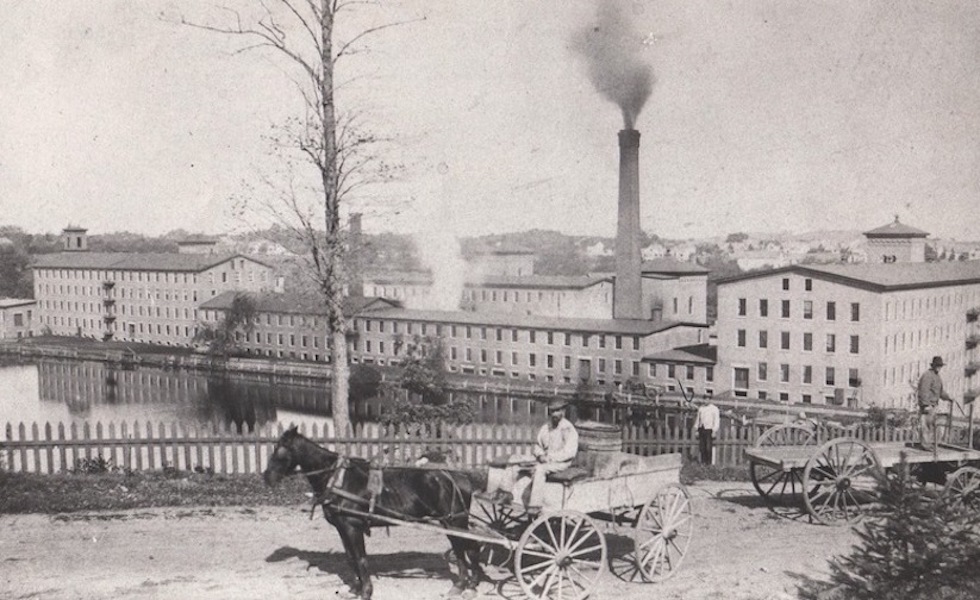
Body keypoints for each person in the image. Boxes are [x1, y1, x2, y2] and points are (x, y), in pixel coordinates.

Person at [491, 398, 578, 513]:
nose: (554, 414)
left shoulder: (568, 429)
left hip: (561, 463)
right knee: (515, 459)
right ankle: (505, 492)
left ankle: (535, 504)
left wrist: (549, 458)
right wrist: (540, 454)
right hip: (543, 459)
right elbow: (537, 445)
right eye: (552, 411)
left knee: (539, 469)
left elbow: (569, 453)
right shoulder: (546, 427)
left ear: (563, 411)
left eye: (557, 411)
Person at [917, 356, 953, 450]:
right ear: (933, 365)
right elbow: (923, 390)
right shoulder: (927, 375)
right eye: (937, 365)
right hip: (928, 405)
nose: (939, 368)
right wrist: (925, 405)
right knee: (926, 425)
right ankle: (925, 445)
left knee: (931, 425)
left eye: (940, 366)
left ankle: (930, 444)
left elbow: (940, 391)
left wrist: (948, 397)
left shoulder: (937, 376)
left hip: (933, 405)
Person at [694, 398, 720, 465]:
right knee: (702, 447)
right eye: (704, 399)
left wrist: (714, 430)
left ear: (710, 400)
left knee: (708, 447)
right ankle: (703, 462)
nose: (705, 401)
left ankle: (709, 463)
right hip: (701, 429)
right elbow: (698, 419)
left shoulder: (714, 409)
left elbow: (716, 421)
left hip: (709, 429)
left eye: (707, 399)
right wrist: (696, 429)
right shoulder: (701, 408)